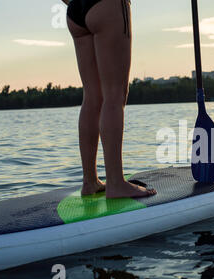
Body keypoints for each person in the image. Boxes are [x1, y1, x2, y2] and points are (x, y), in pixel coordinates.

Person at [61, 0, 156, 198]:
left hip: (76, 11)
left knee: (92, 97)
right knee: (115, 95)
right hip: (107, 6)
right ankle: (115, 183)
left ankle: (90, 182)